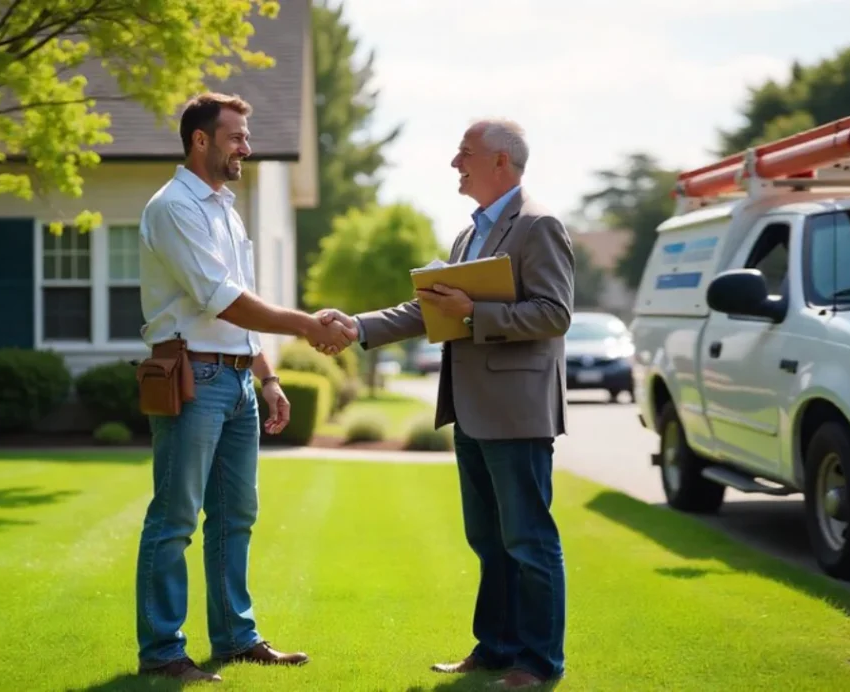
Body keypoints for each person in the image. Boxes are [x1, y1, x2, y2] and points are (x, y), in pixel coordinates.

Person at [317, 118, 575, 689]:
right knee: (487, 540)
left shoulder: (539, 224)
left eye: (465, 153)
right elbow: (427, 310)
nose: (455, 163)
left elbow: (555, 314)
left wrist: (471, 314)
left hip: (517, 412)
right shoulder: (467, 236)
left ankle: (538, 663)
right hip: (472, 409)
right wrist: (354, 326)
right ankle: (495, 647)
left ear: (501, 162)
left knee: (529, 541)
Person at [134, 91, 356, 683]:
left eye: (246, 137)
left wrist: (269, 376)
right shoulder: (174, 208)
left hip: (234, 379)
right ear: (200, 140)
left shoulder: (227, 211)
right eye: (235, 136)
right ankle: (161, 651)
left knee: (236, 515)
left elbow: (241, 310)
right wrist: (307, 324)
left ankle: (235, 637)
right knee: (176, 516)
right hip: (190, 376)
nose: (246, 147)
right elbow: (223, 299)